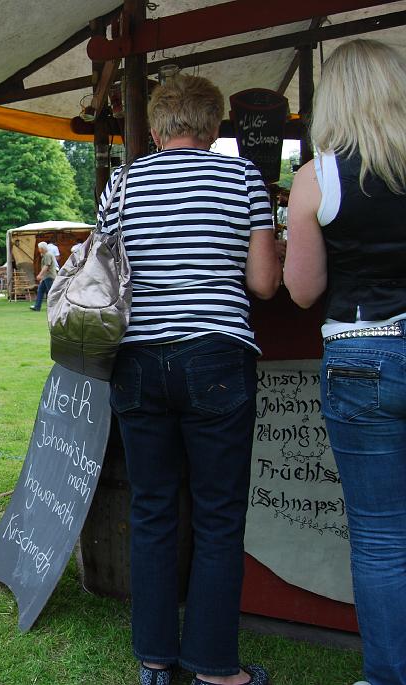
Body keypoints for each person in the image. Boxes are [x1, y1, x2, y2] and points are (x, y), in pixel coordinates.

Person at [103, 75, 281, 685]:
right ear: (214, 128)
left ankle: (155, 661)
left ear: (155, 129)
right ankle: (212, 668)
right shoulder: (244, 181)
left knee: (151, 509)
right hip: (217, 357)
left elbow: (106, 279)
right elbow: (263, 284)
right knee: (218, 517)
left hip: (138, 360)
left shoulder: (122, 185)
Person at [284, 39, 406, 685]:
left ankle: (389, 675)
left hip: (365, 352)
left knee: (384, 537)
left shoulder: (317, 176)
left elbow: (301, 290)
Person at [29, 242, 57, 312]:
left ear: (42, 248)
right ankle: (37, 307)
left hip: (49, 276)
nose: (38, 249)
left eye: (39, 248)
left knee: (51, 292)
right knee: (40, 291)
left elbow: (46, 266)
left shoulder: (47, 255)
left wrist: (40, 275)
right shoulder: (45, 255)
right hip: (46, 277)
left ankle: (54, 307)